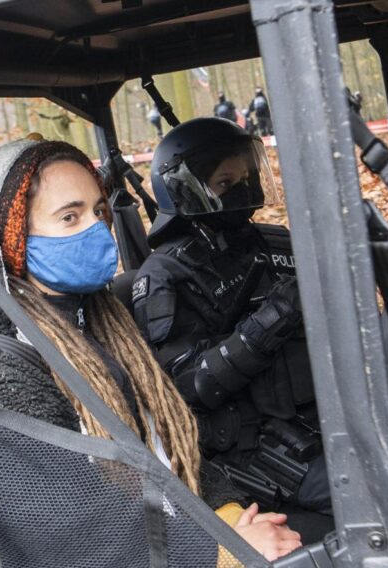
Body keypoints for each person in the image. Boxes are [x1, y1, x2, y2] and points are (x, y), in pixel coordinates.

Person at [0, 138, 302, 562]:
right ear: (10, 242)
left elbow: (172, 449)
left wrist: (228, 516)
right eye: (69, 216)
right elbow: (70, 542)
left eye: (98, 211)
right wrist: (220, 555)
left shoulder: (107, 327)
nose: (96, 229)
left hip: (177, 547)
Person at [131, 118, 332, 542]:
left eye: (246, 177)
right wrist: (270, 321)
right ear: (188, 188)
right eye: (226, 182)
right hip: (259, 451)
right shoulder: (167, 274)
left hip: (326, 415)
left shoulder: (276, 244)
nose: (242, 189)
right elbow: (188, 385)